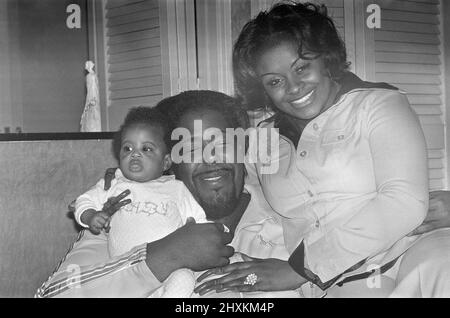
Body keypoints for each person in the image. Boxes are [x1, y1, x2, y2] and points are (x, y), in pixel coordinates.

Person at [194, 2, 450, 297]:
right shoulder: (263, 138)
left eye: (302, 67)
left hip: (410, 250)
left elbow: (403, 200)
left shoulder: (378, 104)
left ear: (326, 59)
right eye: (275, 81)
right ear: (262, 89)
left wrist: (299, 269)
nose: (294, 87)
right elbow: (232, 182)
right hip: (337, 281)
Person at [35, 90, 299, 298]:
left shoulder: (290, 214)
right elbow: (52, 294)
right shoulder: (122, 210)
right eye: (191, 148)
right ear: (168, 161)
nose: (211, 157)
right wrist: (160, 258)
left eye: (224, 143)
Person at [74, 107, 208, 297]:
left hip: (167, 272)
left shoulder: (176, 189)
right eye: (127, 148)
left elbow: (200, 222)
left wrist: (196, 233)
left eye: (146, 149)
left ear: (166, 162)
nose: (135, 154)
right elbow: (84, 201)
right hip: (125, 273)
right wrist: (91, 216)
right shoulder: (114, 183)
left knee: (185, 278)